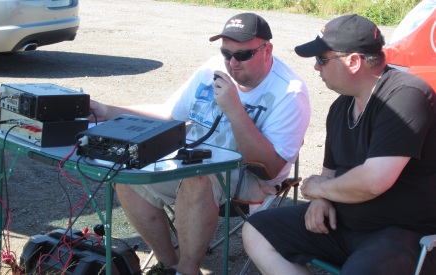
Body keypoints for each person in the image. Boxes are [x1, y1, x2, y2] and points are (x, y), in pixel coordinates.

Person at [88, 13, 310, 274]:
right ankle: (168, 264)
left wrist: (236, 111)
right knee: (128, 172)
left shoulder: (289, 92)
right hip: (193, 160)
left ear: (267, 50)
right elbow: (170, 115)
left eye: (243, 55)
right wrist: (108, 110)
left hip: (248, 177)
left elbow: (270, 168)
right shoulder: (212, 68)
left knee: (196, 179)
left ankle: (187, 270)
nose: (232, 63)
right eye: (226, 53)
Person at [242, 14, 436, 275]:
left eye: (322, 59)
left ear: (353, 62)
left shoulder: (406, 96)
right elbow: (329, 173)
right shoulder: (340, 106)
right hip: (342, 224)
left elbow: (373, 182)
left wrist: (319, 189)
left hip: (400, 233)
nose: (316, 68)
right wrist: (322, 197)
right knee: (256, 230)